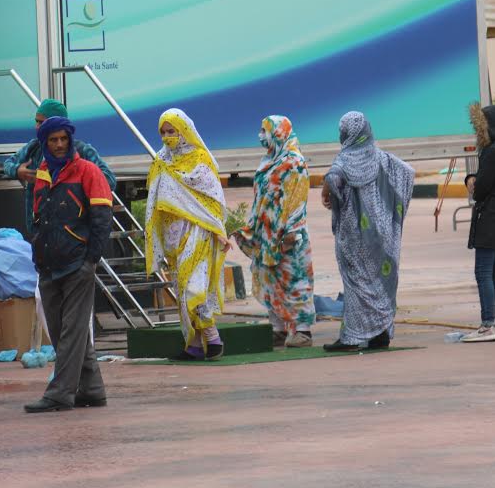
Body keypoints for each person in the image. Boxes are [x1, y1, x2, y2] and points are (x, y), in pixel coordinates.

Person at [25, 116, 113, 413]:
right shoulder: (43, 173)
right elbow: (38, 217)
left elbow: (102, 219)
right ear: (45, 143)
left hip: (77, 265)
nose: (60, 144)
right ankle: (92, 390)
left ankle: (59, 394)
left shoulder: (88, 171)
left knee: (71, 333)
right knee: (63, 330)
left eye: (64, 139)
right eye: (53, 140)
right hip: (48, 266)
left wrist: (90, 260)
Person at [320, 112, 415, 352]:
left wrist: (327, 193)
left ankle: (351, 337)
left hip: (355, 237)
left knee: (356, 283)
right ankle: (380, 333)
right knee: (380, 281)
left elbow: (333, 180)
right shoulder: (384, 159)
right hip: (383, 234)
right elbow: (408, 173)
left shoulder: (343, 161)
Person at [144, 108, 230, 361]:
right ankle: (193, 345)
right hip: (173, 234)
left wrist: (217, 227)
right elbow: (154, 199)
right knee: (181, 287)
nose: (167, 137)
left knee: (194, 285)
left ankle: (212, 337)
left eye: (172, 131)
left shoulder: (200, 159)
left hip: (198, 231)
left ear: (184, 131)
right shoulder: (162, 160)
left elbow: (213, 199)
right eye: (163, 132)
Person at [234, 115, 316, 348]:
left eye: (265, 131)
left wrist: (292, 231)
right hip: (267, 234)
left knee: (294, 279)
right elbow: (261, 198)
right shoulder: (269, 161)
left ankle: (302, 331)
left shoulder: (294, 162)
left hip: (289, 234)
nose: (261, 135)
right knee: (270, 279)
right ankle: (278, 328)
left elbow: (297, 199)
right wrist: (251, 227)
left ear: (278, 133)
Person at [2, 98, 116, 234]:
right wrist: (17, 171)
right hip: (39, 232)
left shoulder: (82, 151)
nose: (37, 127)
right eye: (36, 121)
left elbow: (109, 180)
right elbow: (7, 164)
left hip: (72, 235)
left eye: (41, 122)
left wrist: (77, 184)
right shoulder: (35, 147)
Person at [462, 104, 495, 343]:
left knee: (483, 272)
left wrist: (472, 183)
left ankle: (488, 325)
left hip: (490, 216)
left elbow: (481, 188)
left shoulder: (494, 150)